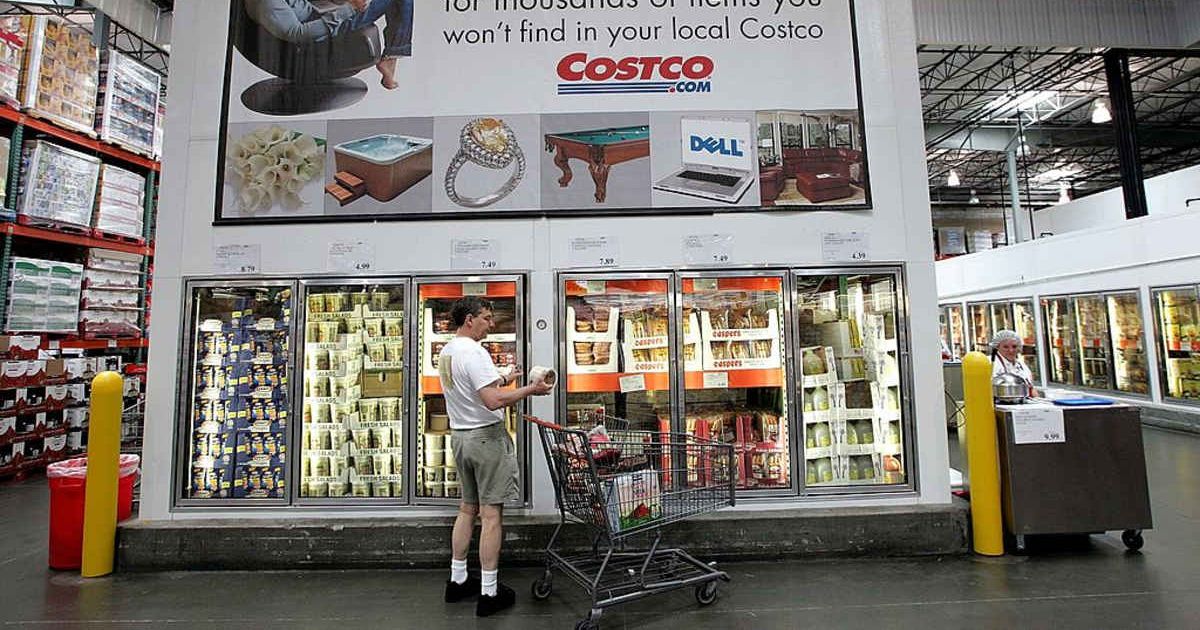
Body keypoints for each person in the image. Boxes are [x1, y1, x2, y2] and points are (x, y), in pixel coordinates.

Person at [438, 297, 552, 617]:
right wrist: (532, 389)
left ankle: (458, 580)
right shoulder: (475, 352)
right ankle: (489, 592)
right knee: (491, 516)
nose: (492, 324)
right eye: (487, 318)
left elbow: (474, 388)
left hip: (460, 437)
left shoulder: (448, 351)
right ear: (470, 319)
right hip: (486, 439)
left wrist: (504, 376)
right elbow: (492, 401)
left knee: (467, 509)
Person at [243, 0, 414, 89]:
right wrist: (350, 9)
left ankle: (393, 54)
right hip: (324, 33)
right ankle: (391, 57)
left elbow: (306, 6)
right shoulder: (265, 3)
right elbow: (298, 34)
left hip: (322, 14)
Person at [991, 329, 1039, 397]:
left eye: (1014, 347)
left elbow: (1031, 389)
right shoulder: (990, 363)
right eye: (1005, 347)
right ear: (997, 347)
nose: (1011, 350)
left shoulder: (1022, 365)